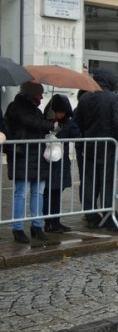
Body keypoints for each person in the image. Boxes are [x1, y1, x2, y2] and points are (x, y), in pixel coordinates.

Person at [74, 68, 118, 231]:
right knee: (107, 182)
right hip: (109, 147)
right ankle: (108, 215)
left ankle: (91, 216)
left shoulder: (84, 98)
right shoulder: (114, 98)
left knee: (90, 181)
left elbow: (78, 122)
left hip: (90, 146)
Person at [5, 82, 56, 243]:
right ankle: (18, 228)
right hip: (23, 155)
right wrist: (51, 124)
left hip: (37, 156)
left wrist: (49, 118)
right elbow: (31, 122)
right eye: (39, 94)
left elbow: (38, 124)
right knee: (21, 193)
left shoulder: (34, 109)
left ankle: (37, 225)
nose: (41, 97)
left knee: (38, 192)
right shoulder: (16, 107)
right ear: (30, 95)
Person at [42, 94, 80, 233]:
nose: (61, 115)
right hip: (47, 162)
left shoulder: (68, 123)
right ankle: (49, 221)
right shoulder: (44, 121)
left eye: (63, 112)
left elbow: (77, 134)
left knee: (57, 192)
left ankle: (56, 221)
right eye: (59, 112)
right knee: (48, 192)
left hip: (61, 162)